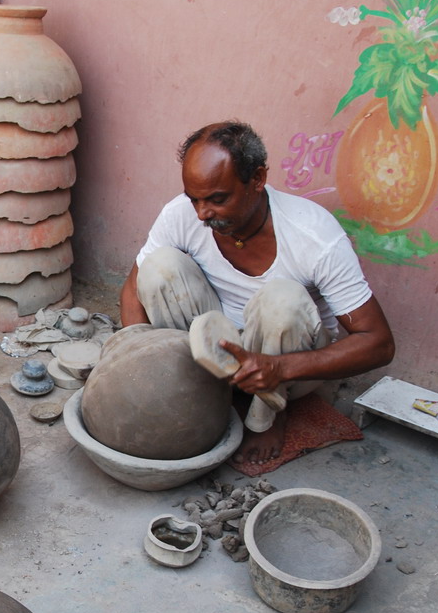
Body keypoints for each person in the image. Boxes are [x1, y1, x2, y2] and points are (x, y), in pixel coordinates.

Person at [119, 121, 395, 465]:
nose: (203, 213)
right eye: (195, 199)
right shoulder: (182, 214)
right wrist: (130, 362)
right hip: (218, 346)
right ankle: (196, 391)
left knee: (282, 301)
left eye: (218, 199)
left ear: (258, 179)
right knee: (158, 267)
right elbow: (134, 286)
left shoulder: (314, 234)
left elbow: (378, 342)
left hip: (288, 363)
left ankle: (267, 417)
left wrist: (279, 368)